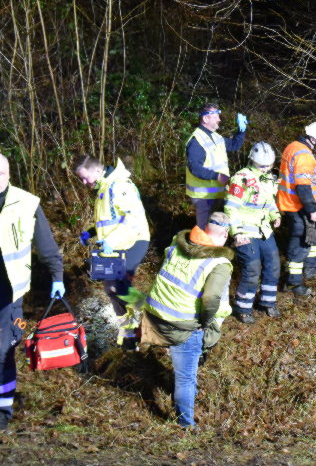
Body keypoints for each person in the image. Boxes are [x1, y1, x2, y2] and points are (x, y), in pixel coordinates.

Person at [140, 212, 233, 429]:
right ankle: (185, 424)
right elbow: (211, 298)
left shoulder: (178, 242)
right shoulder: (220, 263)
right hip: (180, 324)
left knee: (187, 371)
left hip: (154, 313)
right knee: (185, 379)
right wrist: (205, 322)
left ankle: (188, 399)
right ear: (226, 234)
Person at [0, 153, 64, 431]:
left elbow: (46, 245)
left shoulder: (26, 203)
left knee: (3, 350)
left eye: (1, 172)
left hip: (11, 293)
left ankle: (3, 409)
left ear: (9, 173)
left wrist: (57, 276)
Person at [75, 155, 150, 349]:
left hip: (134, 240)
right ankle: (128, 334)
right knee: (111, 289)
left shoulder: (119, 186)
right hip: (116, 244)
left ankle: (148, 309)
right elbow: (110, 220)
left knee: (121, 288)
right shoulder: (103, 189)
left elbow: (131, 220)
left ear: (98, 171)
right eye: (81, 179)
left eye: (85, 178)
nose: (84, 183)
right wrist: (90, 232)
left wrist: (110, 240)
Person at [224, 142, 281, 324]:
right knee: (252, 268)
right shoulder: (241, 178)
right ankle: (243, 306)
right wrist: (237, 232)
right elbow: (231, 208)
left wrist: (275, 215)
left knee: (273, 264)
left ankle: (267, 301)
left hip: (264, 230)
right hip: (245, 231)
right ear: (252, 160)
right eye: (261, 165)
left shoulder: (269, 178)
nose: (265, 168)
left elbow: (270, 201)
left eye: (268, 165)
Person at [277, 122, 316, 296]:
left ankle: (311, 267)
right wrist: (312, 210)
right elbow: (303, 187)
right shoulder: (305, 156)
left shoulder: (293, 147)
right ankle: (293, 282)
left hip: (291, 202)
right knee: (300, 241)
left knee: (310, 234)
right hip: (297, 204)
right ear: (313, 139)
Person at [186, 103, 249, 229]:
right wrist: (217, 176)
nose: (219, 119)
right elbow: (195, 168)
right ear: (205, 119)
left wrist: (241, 131)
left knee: (217, 229)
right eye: (216, 117)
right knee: (205, 229)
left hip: (217, 193)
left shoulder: (216, 136)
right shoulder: (196, 140)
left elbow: (233, 145)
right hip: (203, 196)